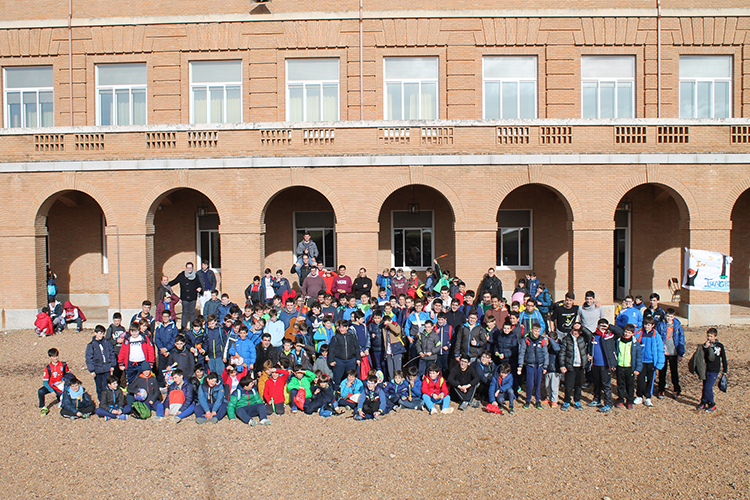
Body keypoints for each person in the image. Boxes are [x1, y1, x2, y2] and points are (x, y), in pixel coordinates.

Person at [691, 328, 728, 412]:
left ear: (716, 336)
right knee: (705, 387)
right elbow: (702, 356)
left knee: (708, 387)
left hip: (714, 370)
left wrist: (725, 370)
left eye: (711, 336)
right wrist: (705, 347)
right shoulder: (705, 345)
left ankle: (712, 403)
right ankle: (704, 402)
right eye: (708, 336)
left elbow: (724, 358)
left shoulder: (719, 346)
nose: (709, 338)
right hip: (705, 369)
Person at [588, 318, 619, 413]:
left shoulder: (610, 335)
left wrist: (609, 327)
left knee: (606, 385)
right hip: (595, 364)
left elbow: (620, 332)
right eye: (601, 325)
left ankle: (608, 403)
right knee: (596, 383)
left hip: (606, 365)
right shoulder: (593, 336)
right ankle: (597, 399)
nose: (602, 327)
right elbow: (590, 346)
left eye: (604, 325)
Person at [517, 323, 549, 409]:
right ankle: (528, 400)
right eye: (535, 331)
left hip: (539, 365)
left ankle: (537, 400)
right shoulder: (526, 340)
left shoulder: (542, 340)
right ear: (531, 330)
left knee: (538, 384)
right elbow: (522, 353)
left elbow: (545, 353)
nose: (536, 333)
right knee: (530, 384)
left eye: (538, 331)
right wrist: (520, 365)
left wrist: (545, 365)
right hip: (530, 365)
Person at [635, 318, 665, 407]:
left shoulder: (656, 336)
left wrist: (660, 363)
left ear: (652, 326)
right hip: (641, 361)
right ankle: (639, 396)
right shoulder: (639, 334)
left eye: (649, 325)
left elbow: (660, 350)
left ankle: (648, 397)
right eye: (645, 324)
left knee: (650, 380)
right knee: (640, 379)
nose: (647, 326)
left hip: (651, 361)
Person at [559, 322, 589, 411]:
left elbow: (590, 335)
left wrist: (582, 328)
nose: (576, 332)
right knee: (569, 385)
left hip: (580, 365)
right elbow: (562, 353)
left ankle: (577, 401)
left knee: (578, 385)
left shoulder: (582, 338)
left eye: (578, 330)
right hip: (570, 365)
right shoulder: (566, 339)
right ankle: (567, 401)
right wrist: (562, 365)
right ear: (571, 330)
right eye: (574, 330)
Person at [656, 308, 685, 398]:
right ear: (665, 316)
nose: (669, 318)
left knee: (674, 372)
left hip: (673, 352)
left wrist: (680, 353)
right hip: (663, 352)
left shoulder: (677, 326)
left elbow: (681, 340)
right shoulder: (661, 325)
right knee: (662, 371)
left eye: (671, 316)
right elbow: (657, 337)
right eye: (668, 316)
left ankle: (676, 389)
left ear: (674, 317)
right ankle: (661, 389)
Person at [85, 325, 116, 402]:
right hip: (97, 369)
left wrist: (112, 364)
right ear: (95, 333)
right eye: (99, 333)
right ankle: (101, 401)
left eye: (102, 333)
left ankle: (109, 401)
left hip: (106, 368)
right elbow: (89, 358)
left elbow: (112, 353)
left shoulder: (107, 342)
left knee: (108, 386)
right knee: (99, 387)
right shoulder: (91, 345)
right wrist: (91, 370)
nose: (101, 335)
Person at [614, 324, 643, 409]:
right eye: (626, 332)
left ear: (632, 333)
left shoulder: (635, 343)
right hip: (620, 365)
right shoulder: (618, 341)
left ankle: (629, 400)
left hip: (630, 367)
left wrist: (638, 369)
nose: (627, 334)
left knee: (630, 385)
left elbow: (638, 357)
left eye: (629, 332)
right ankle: (620, 399)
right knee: (620, 384)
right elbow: (616, 352)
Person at [169, 262, 203, 331]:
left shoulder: (195, 276)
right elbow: (175, 281)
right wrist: (167, 285)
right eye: (188, 268)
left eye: (190, 268)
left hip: (193, 297)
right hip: (184, 297)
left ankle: (192, 327)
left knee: (192, 313)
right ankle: (183, 328)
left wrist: (199, 288)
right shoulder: (182, 275)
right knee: (185, 312)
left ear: (192, 268)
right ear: (186, 268)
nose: (189, 269)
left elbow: (199, 284)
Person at [328, 319, 362, 384]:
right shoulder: (335, 337)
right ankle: (336, 390)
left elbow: (357, 348)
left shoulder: (352, 336)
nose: (341, 329)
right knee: (337, 377)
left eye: (343, 327)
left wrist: (358, 358)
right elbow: (332, 350)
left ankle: (351, 391)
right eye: (340, 327)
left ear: (347, 327)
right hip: (339, 360)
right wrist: (331, 360)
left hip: (351, 360)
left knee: (351, 378)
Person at [39, 347, 70, 415]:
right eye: (53, 357)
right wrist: (51, 390)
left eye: (56, 356)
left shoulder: (63, 365)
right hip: (51, 386)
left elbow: (68, 375)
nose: (55, 358)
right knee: (41, 391)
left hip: (60, 386)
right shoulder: (48, 368)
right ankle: (43, 407)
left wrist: (65, 381)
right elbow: (45, 382)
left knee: (63, 403)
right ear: (49, 358)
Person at [154, 310, 179, 385]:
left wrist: (167, 349)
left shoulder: (173, 327)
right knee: (161, 368)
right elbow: (157, 339)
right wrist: (161, 348)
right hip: (161, 352)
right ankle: (161, 384)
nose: (165, 318)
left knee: (170, 368)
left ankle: (172, 384)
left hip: (170, 352)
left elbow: (174, 339)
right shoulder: (159, 327)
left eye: (166, 317)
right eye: (163, 316)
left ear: (170, 317)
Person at [544, 330, 562, 407]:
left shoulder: (558, 345)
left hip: (555, 369)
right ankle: (548, 397)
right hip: (548, 368)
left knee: (554, 386)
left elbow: (556, 349)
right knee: (547, 385)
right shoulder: (549, 346)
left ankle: (554, 400)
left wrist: (551, 340)